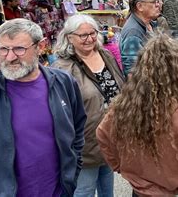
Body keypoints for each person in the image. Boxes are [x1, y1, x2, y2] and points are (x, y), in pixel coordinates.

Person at [97, 34, 178, 197]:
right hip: (170, 190)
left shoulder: (124, 105)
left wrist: (121, 167)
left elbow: (102, 134)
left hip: (139, 190)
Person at [0, 18, 86, 196]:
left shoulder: (63, 82)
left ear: (40, 47)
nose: (10, 57)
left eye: (19, 49)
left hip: (58, 191)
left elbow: (78, 129)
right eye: (3, 49)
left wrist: (72, 173)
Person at [53, 14, 125, 197]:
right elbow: (60, 113)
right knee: (84, 191)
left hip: (110, 137)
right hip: (84, 146)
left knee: (107, 189)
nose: (89, 39)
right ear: (69, 37)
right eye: (82, 35)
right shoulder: (63, 68)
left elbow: (120, 85)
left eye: (92, 33)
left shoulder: (106, 55)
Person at [120, 0, 161, 76]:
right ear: (140, 6)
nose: (158, 5)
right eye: (154, 2)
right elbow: (132, 71)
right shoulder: (133, 32)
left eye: (158, 2)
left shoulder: (150, 24)